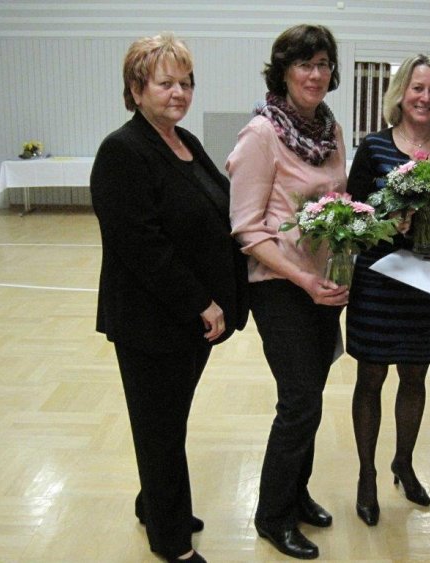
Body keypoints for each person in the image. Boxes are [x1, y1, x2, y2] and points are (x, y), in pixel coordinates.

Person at [90, 33, 248, 563]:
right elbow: (142, 246)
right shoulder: (122, 151)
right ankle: (170, 540)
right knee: (158, 429)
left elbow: (217, 207)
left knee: (167, 421)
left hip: (184, 323)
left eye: (186, 82)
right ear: (136, 90)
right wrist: (201, 302)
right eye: (165, 83)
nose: (179, 92)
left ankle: (153, 503)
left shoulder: (184, 141)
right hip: (151, 322)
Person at [226, 24, 347, 560]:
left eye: (323, 64)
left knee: (311, 400)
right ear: (283, 71)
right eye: (304, 64)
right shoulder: (261, 133)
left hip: (324, 285)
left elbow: (339, 202)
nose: (315, 74)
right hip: (281, 286)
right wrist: (303, 279)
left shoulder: (330, 129)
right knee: (298, 402)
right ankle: (272, 516)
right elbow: (247, 229)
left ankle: (297, 495)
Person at [345, 54, 430, 526]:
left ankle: (404, 462)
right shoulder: (374, 147)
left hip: (425, 284)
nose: (425, 97)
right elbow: (354, 212)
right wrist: (387, 222)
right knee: (371, 377)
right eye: (418, 88)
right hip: (377, 282)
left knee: (414, 377)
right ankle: (367, 474)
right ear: (401, 93)